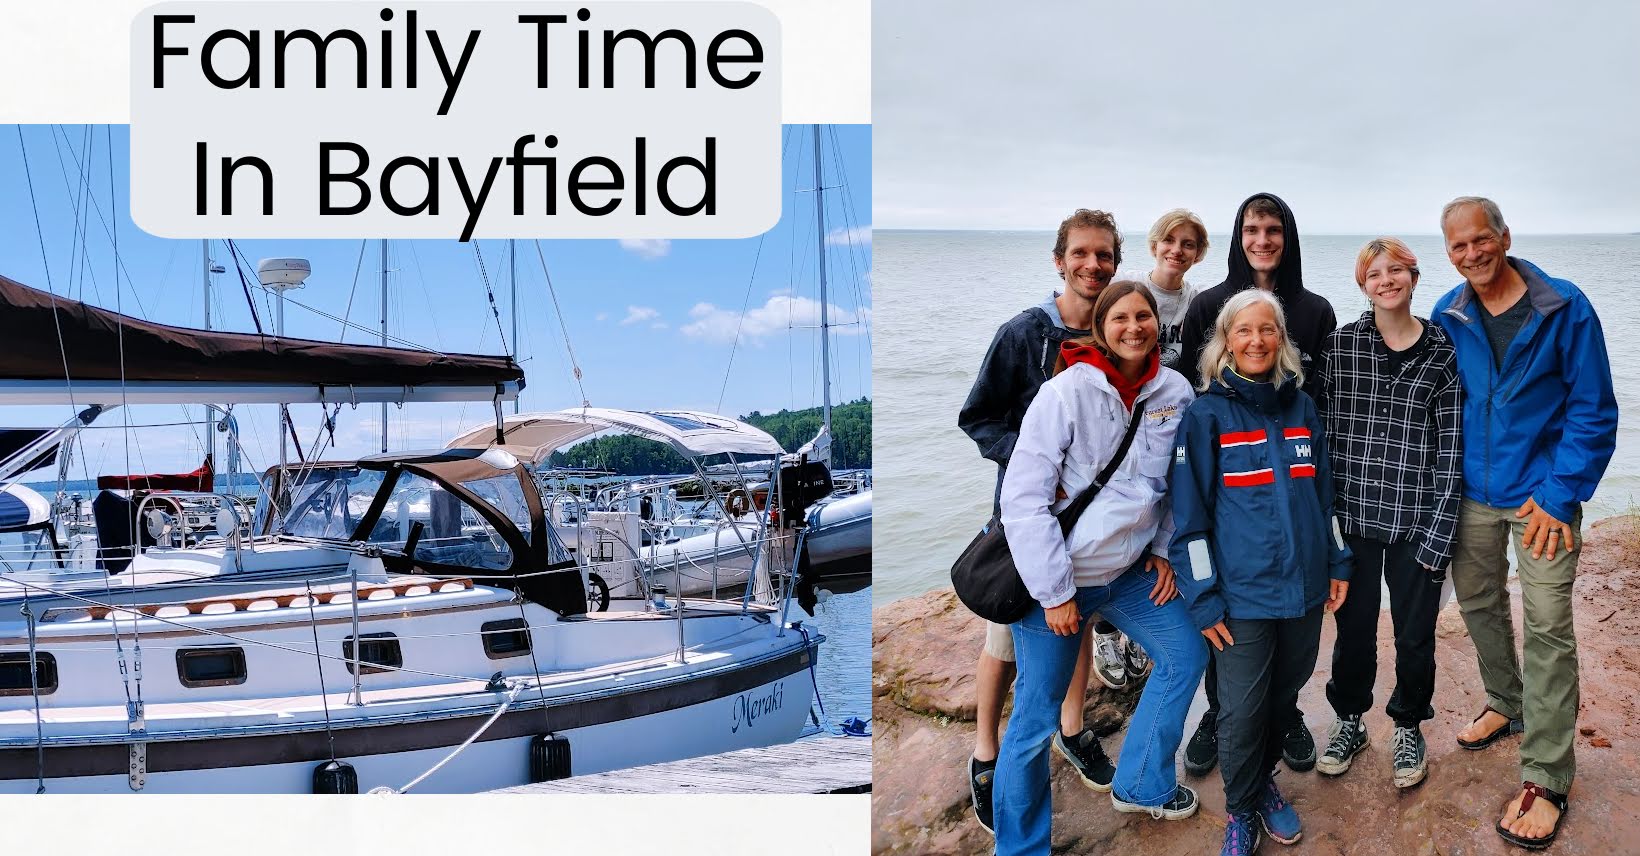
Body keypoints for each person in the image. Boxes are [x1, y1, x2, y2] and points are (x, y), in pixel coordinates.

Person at [994, 280, 1207, 856]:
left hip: (1129, 575)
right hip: (1061, 584)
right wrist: (1057, 593)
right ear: (1100, 327)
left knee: (1187, 652)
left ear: (1158, 326)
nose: (1134, 327)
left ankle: (1140, 781)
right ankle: (1019, 848)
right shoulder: (1065, 393)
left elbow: (1173, 487)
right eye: (1121, 318)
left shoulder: (1175, 391)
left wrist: (1163, 550)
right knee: (1037, 719)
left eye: (1144, 317)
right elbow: (1023, 500)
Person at [1432, 197, 1617, 850]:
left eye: (1482, 240)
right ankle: (1505, 703)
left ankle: (1546, 776)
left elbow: (1595, 408)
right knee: (1480, 604)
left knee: (1546, 627)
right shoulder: (1447, 313)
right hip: (1473, 494)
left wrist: (1562, 493)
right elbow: (1433, 402)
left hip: (1544, 498)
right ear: (1448, 252)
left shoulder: (1565, 306)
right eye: (1458, 246)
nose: (1473, 254)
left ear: (1504, 237)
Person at [957, 209, 1126, 834]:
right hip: (1028, 516)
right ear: (1059, 260)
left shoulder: (1117, 331)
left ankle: (1072, 727)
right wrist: (1033, 461)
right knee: (1004, 636)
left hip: (1090, 527)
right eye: (1081, 253)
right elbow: (978, 417)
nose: (1092, 264)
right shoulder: (1025, 333)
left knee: (1077, 622)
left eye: (1104, 255)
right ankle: (985, 753)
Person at [1169, 289, 1351, 856]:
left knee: (1281, 699)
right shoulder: (1205, 416)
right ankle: (1241, 810)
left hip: (1304, 590)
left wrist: (1339, 559)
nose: (1256, 340)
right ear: (1225, 341)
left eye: (1266, 330)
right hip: (1241, 598)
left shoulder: (1303, 408)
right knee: (1242, 711)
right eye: (1243, 331)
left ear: (1281, 341)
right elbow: (1189, 521)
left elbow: (1327, 499)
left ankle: (1262, 782)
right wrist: (1202, 597)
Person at [1174, 193, 1336, 775]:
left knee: (1291, 640)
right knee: (1234, 637)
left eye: (1273, 229)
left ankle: (1286, 714)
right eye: (1251, 229)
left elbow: (1327, 402)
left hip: (1292, 475)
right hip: (1231, 482)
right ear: (1238, 236)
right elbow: (1181, 393)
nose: (1262, 239)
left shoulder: (1315, 311)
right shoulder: (1209, 305)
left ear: (1288, 236)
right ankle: (1221, 716)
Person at [1313, 238, 1462, 789]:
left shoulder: (1441, 351)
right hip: (1351, 519)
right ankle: (1349, 719)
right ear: (1362, 285)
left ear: (1414, 277)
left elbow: (1451, 448)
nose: (1386, 280)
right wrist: (1323, 527)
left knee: (1415, 634)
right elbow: (1321, 435)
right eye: (1374, 273)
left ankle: (1407, 724)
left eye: (1396, 269)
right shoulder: (1342, 346)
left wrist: (1439, 533)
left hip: (1415, 517)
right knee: (1352, 633)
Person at [1097, 208, 1210, 681]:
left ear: (1198, 252)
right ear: (1155, 244)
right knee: (1112, 521)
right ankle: (1106, 633)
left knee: (1160, 516)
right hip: (1128, 418)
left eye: (1188, 244)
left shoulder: (1199, 302)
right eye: (1170, 240)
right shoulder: (1130, 292)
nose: (1177, 251)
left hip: (1172, 415)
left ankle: (1139, 629)